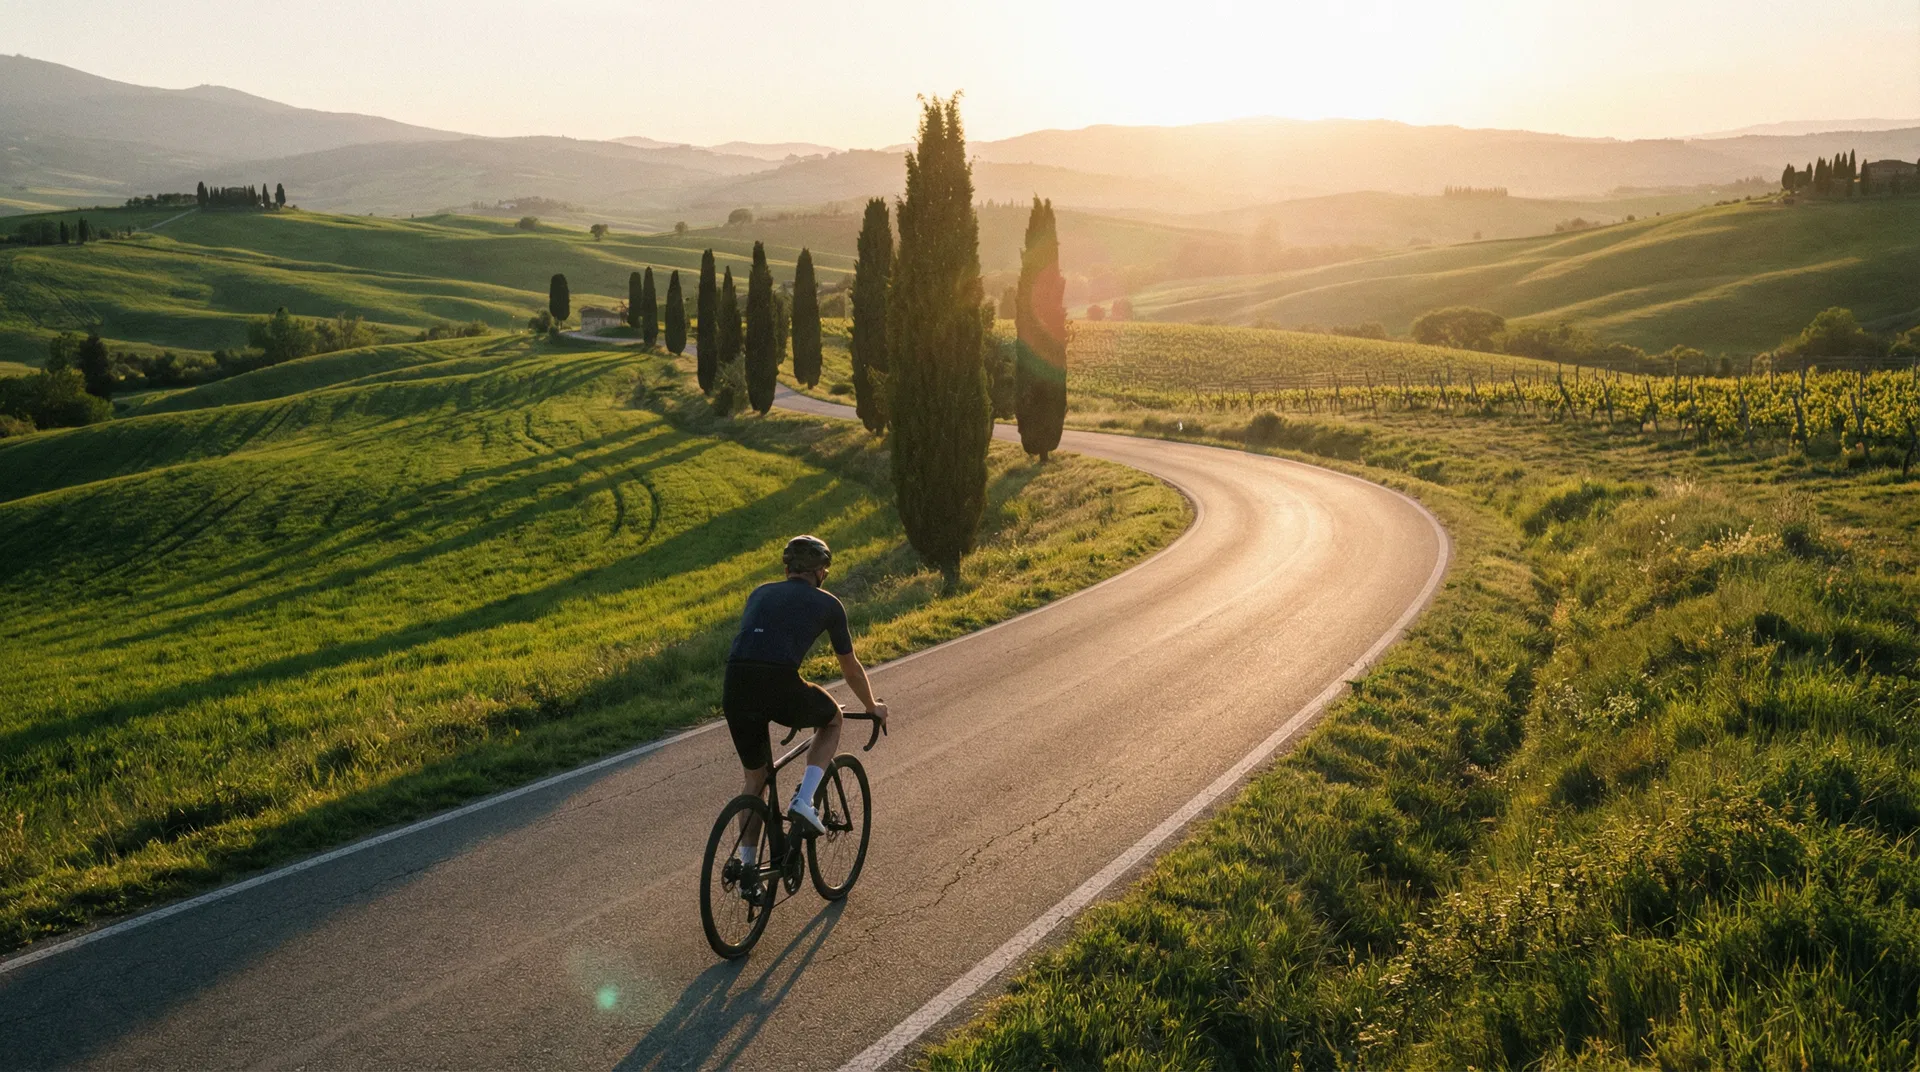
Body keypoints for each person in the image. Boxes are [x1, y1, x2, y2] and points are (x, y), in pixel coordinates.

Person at [723, 535, 887, 871]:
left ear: (786, 568)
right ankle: (805, 801)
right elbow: (850, 668)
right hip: (779, 682)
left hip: (735, 684)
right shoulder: (828, 603)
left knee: (756, 781)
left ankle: (747, 870)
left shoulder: (759, 593)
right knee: (832, 719)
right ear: (822, 572)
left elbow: (761, 644)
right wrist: (871, 705)